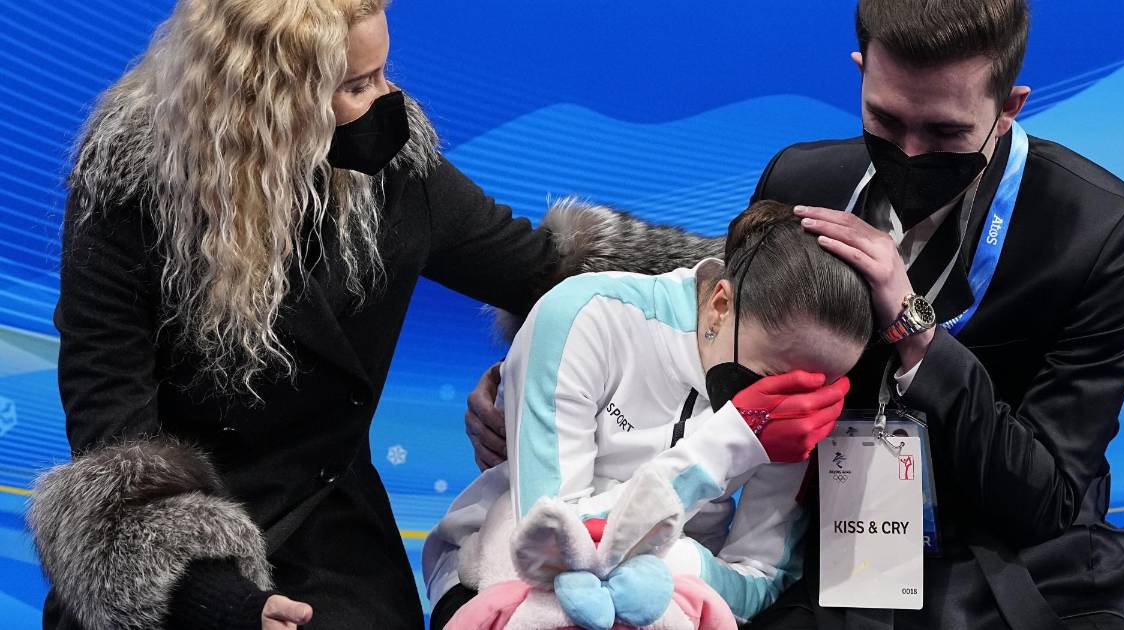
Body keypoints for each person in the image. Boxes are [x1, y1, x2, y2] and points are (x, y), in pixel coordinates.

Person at [465, 1, 1124, 628]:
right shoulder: (802, 180)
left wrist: (917, 333)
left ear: (1009, 106)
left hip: (1003, 559)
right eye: (885, 120)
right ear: (861, 72)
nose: (911, 152)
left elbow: (1048, 500)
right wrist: (532, 389)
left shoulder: (1104, 234)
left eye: (946, 132)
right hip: (814, 540)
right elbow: (714, 356)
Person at [26, 2, 715, 629]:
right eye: (358, 85)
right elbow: (112, 435)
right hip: (175, 544)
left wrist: (744, 273)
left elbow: (550, 272)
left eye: (384, 72)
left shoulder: (396, 172)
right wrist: (218, 601)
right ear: (273, 105)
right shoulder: (130, 189)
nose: (389, 101)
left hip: (328, 525)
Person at [424, 200, 872, 629]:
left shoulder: (803, 411)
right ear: (720, 303)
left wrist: (674, 566)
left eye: (817, 387)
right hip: (494, 577)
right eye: (774, 377)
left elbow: (762, 579)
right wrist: (730, 443)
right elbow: (551, 540)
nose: (789, 402)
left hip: (674, 603)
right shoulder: (585, 315)